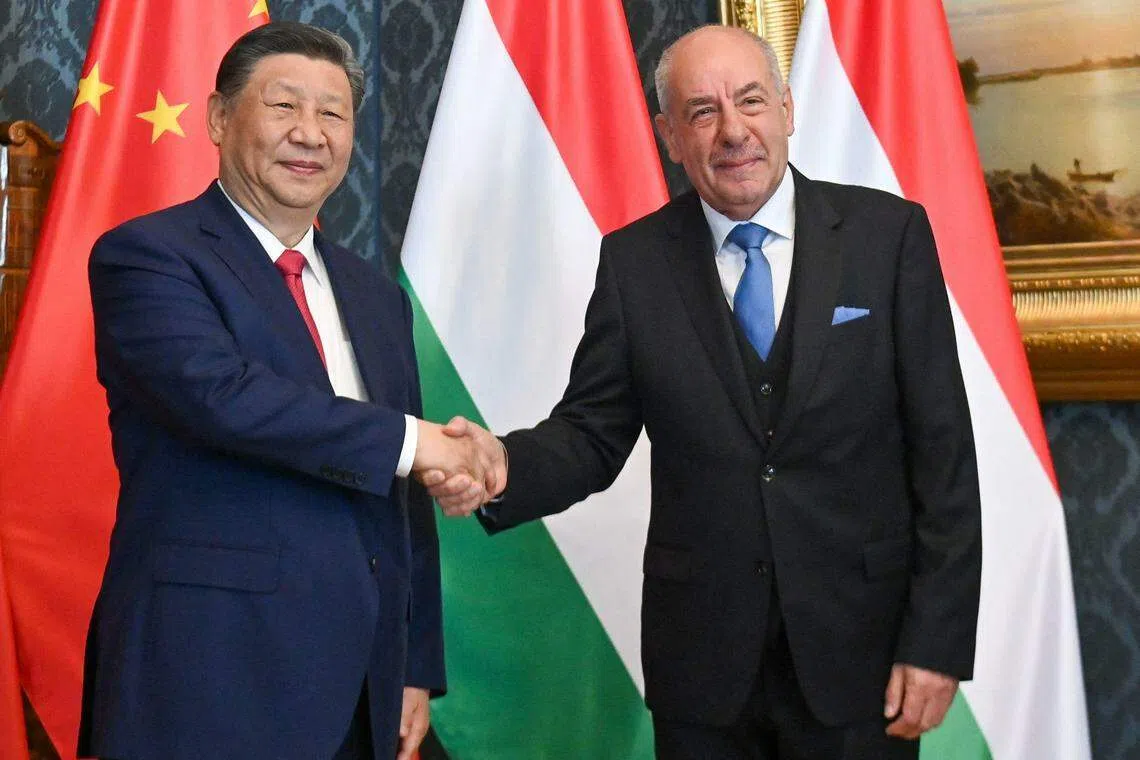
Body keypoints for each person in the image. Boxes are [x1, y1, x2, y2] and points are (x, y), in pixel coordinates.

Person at [424, 24, 982, 760]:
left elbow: (944, 457)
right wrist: (501, 463)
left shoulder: (889, 237)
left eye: (750, 100)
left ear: (786, 107)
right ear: (669, 136)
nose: (733, 131)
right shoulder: (635, 263)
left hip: (861, 655)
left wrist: (937, 641)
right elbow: (592, 434)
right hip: (705, 667)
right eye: (702, 111)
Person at [79, 22, 495, 760]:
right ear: (216, 119)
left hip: (360, 688)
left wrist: (413, 664)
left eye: (333, 114)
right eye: (283, 107)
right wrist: (416, 442)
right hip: (205, 676)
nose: (310, 134)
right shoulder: (148, 257)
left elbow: (401, 499)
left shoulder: (374, 295)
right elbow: (223, 396)